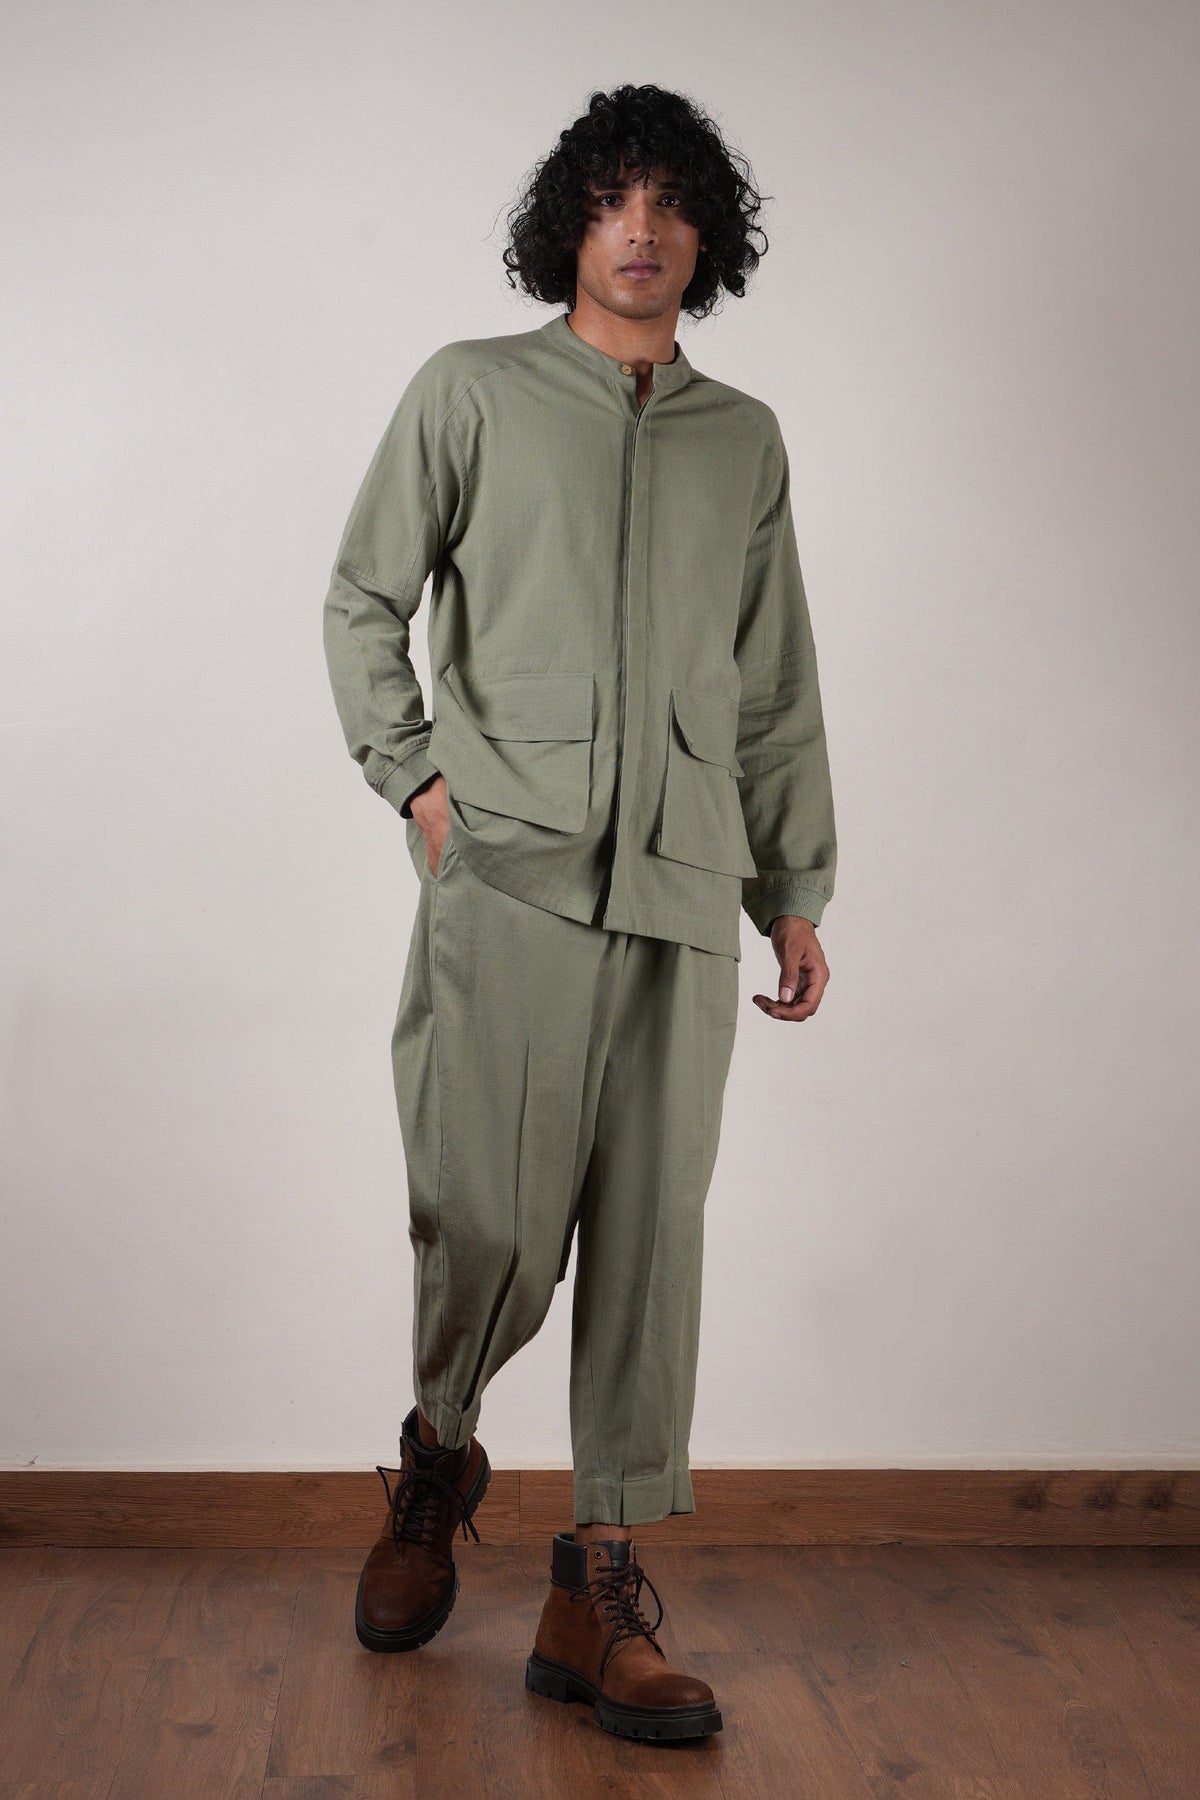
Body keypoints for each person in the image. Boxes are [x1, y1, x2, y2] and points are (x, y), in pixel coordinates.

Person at [321, 81, 837, 1744]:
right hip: (510, 872)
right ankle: (437, 1455)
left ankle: (596, 1583)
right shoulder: (470, 393)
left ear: (707, 237)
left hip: (684, 885)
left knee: (651, 1237)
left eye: (672, 202)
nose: (642, 229)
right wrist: (417, 784)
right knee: (483, 1209)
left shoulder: (743, 438)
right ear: (570, 225)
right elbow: (365, 599)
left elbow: (773, 681)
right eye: (614, 199)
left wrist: (793, 887)